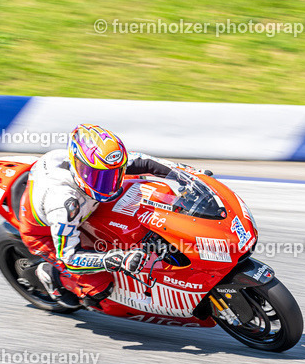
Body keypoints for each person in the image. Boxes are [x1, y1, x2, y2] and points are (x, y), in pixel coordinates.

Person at [16, 123, 205, 309]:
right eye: (97, 177)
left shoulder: (100, 162)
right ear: (77, 166)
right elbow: (69, 258)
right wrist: (116, 259)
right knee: (99, 288)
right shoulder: (64, 204)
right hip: (44, 232)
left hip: (87, 204)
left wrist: (187, 174)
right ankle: (51, 275)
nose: (107, 184)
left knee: (145, 193)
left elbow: (145, 162)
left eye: (113, 175)